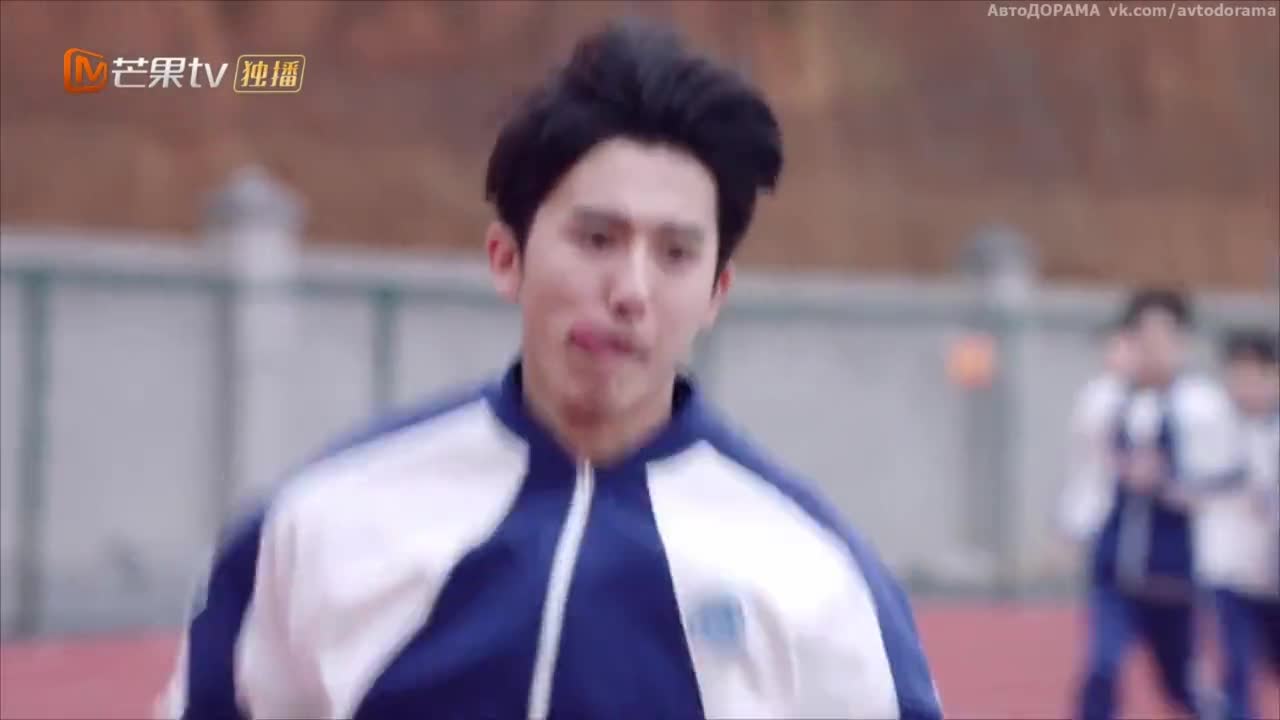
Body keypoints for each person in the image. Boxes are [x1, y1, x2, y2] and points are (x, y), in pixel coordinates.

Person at [155, 19, 942, 720]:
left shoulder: (815, 573)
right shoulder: (323, 521)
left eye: (675, 253)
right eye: (597, 239)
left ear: (715, 293)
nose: (630, 290)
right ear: (508, 257)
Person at [1072, 289, 1241, 720]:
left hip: (1176, 573)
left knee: (1182, 685)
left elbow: (1226, 481)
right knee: (1101, 668)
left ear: (1182, 342)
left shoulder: (1204, 405)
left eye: (1163, 338)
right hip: (1116, 566)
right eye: (1143, 338)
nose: (1153, 350)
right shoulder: (1105, 400)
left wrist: (1167, 480)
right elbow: (1089, 470)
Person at [1197, 329, 1280, 720]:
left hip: (1273, 573)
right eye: (1237, 375)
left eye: (1255, 376)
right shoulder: (1212, 427)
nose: (1245, 387)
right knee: (1237, 669)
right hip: (1230, 572)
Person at [1057, 320, 1136, 546]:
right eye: (1117, 348)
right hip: (1094, 503)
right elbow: (1096, 443)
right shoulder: (1099, 393)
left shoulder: (1136, 392)